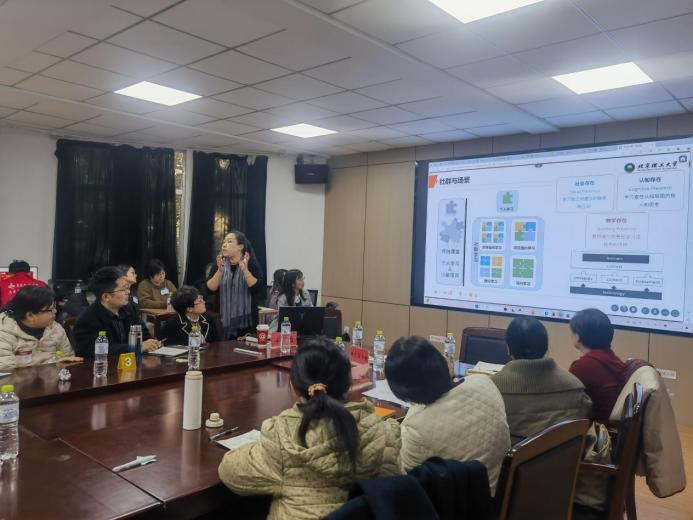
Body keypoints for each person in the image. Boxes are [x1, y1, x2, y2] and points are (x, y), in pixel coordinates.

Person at [219, 337, 401, 520]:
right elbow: (394, 489)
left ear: (294, 387)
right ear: (348, 385)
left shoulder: (282, 438)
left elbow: (229, 473)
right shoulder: (378, 432)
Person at [385, 336, 509, 491]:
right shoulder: (484, 382)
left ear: (404, 393)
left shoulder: (417, 429)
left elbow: (400, 475)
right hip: (500, 490)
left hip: (465, 502)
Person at [491, 316, 592, 443]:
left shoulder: (493, 388)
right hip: (563, 454)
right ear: (545, 347)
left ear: (508, 348)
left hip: (512, 455)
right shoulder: (575, 386)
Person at [73, 266, 160, 357]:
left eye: (127, 288)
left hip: (134, 362)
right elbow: (93, 351)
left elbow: (144, 335)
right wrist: (136, 347)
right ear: (106, 297)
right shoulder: (87, 319)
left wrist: (152, 343)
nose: (128, 292)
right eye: (123, 289)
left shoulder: (130, 309)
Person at [0, 286, 82, 370]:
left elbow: (68, 360)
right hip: (20, 378)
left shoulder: (55, 328)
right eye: (50, 310)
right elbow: (6, 371)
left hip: (53, 377)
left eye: (55, 307)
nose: (55, 311)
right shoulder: (4, 333)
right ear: (30, 315)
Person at [569, 309, 628, 421]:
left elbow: (567, 401)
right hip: (614, 424)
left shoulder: (583, 367)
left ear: (577, 337)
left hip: (597, 427)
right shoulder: (612, 358)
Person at [206, 231, 264, 339]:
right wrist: (219, 271)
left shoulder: (251, 264)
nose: (224, 245)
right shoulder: (220, 263)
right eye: (224, 242)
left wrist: (245, 270)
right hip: (222, 320)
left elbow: (257, 289)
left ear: (240, 246)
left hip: (246, 322)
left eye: (229, 241)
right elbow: (210, 289)